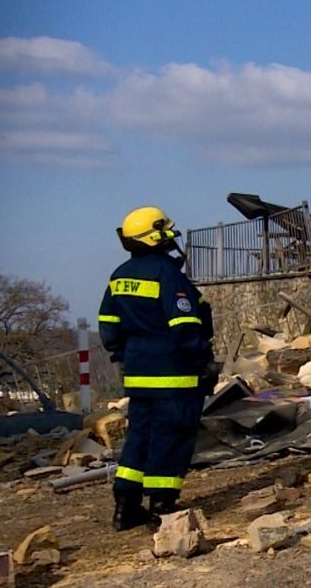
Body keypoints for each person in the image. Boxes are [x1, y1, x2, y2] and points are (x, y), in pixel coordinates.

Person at [98, 206, 216, 531]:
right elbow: (185, 325)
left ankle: (125, 507)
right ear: (158, 235)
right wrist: (203, 361)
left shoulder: (119, 276)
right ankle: (163, 508)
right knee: (171, 436)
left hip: (137, 374)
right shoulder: (168, 274)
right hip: (175, 374)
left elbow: (108, 325)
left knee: (139, 437)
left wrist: (129, 354)